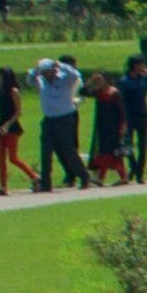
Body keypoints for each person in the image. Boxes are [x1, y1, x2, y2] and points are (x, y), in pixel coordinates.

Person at [28, 54, 83, 194]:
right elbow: (30, 80)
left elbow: (76, 75)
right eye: (43, 73)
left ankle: (83, 176)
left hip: (65, 118)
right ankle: (46, 183)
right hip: (49, 120)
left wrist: (61, 65)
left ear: (53, 70)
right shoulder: (41, 80)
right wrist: (36, 69)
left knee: (68, 149)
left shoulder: (65, 78)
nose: (45, 75)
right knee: (46, 151)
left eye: (47, 72)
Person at [0, 65, 28, 196]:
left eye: (1, 76)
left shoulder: (14, 91)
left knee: (13, 157)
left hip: (12, 127)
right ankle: (3, 186)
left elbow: (18, 112)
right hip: (0, 126)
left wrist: (7, 125)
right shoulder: (0, 91)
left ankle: (34, 176)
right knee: (1, 158)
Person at [86, 70, 129, 186]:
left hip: (114, 128)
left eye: (101, 79)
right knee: (111, 154)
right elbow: (84, 92)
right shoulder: (98, 93)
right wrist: (90, 82)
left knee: (107, 153)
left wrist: (123, 125)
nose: (99, 82)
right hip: (102, 128)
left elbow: (122, 111)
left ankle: (101, 178)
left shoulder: (114, 93)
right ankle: (122, 177)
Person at [118, 56, 147, 184]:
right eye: (142, 64)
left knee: (143, 146)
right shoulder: (124, 81)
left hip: (142, 116)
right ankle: (134, 167)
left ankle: (140, 173)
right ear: (135, 65)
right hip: (129, 117)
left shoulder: (144, 79)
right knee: (128, 144)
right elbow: (121, 101)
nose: (144, 67)